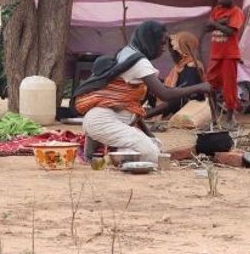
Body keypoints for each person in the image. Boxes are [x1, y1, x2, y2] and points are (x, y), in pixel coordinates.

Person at [74, 21, 212, 163]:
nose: (165, 48)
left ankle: (102, 151)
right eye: (162, 43)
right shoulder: (139, 63)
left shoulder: (128, 52)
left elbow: (135, 109)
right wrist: (200, 87)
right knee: (152, 155)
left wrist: (150, 136)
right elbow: (164, 94)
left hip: (101, 120)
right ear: (150, 41)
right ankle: (107, 156)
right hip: (102, 122)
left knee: (156, 144)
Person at [203, 0, 244, 129]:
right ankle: (214, 118)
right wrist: (220, 22)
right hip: (216, 55)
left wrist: (215, 23)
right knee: (209, 86)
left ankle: (230, 118)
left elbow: (231, 31)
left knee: (229, 88)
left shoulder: (236, 12)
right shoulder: (217, 10)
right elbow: (207, 27)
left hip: (229, 55)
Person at [144, 31, 204, 119]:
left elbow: (185, 93)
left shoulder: (193, 67)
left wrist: (166, 89)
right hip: (175, 96)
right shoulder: (179, 67)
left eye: (174, 51)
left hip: (187, 105)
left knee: (176, 97)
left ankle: (146, 115)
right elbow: (172, 86)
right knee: (149, 83)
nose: (172, 54)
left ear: (182, 51)